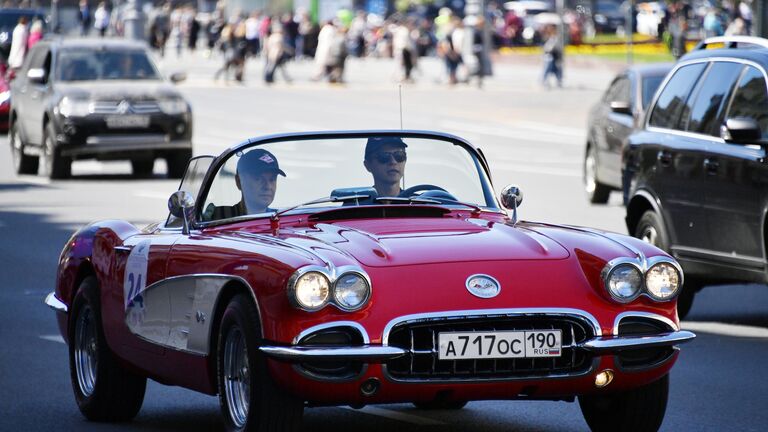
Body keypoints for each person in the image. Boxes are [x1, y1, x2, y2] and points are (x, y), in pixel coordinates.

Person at [204, 149, 286, 220]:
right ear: (239, 182)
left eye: (272, 179)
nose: (267, 186)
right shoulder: (217, 217)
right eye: (258, 179)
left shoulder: (284, 220)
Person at [541, 24, 563, 89]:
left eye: (552, 28)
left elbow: (556, 47)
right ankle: (544, 81)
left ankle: (558, 81)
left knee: (555, 69)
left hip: (554, 56)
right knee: (548, 69)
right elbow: (545, 46)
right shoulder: (547, 36)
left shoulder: (556, 37)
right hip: (549, 56)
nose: (550, 29)